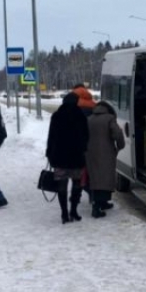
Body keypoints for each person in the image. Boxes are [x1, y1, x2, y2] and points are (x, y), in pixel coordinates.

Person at [45, 92, 89, 224]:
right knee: (77, 184)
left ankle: (64, 213)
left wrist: (49, 153)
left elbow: (51, 137)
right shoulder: (80, 116)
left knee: (61, 186)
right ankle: (73, 210)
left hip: (60, 158)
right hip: (76, 158)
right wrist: (83, 149)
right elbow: (86, 137)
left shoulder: (57, 116)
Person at [86, 101, 125, 218]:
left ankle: (103, 203)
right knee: (105, 179)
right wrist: (120, 146)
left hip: (90, 153)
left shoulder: (89, 119)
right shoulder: (109, 118)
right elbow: (117, 134)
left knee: (96, 179)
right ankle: (96, 208)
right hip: (106, 153)